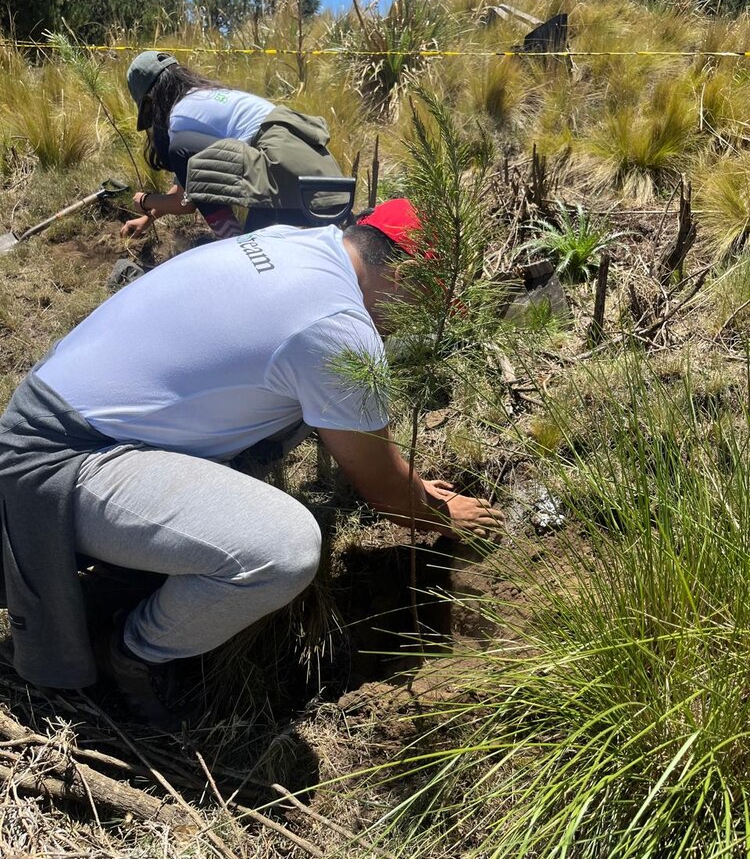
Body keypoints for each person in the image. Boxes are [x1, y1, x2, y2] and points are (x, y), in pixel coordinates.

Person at [0, 198, 503, 729]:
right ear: (406, 272)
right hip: (60, 459)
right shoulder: (334, 326)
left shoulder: (300, 243)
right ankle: (131, 652)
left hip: (65, 412)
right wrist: (439, 514)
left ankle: (152, 565)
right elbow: (386, 494)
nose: (418, 319)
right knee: (282, 551)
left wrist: (411, 482)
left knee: (299, 406)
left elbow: (364, 447)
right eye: (428, 299)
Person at [121, 50, 349, 241]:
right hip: (325, 191)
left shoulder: (180, 122)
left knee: (253, 257)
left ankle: (233, 243)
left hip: (295, 186)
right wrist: (148, 217)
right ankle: (244, 242)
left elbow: (184, 203)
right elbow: (185, 188)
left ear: (151, 102)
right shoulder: (204, 100)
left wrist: (144, 200)